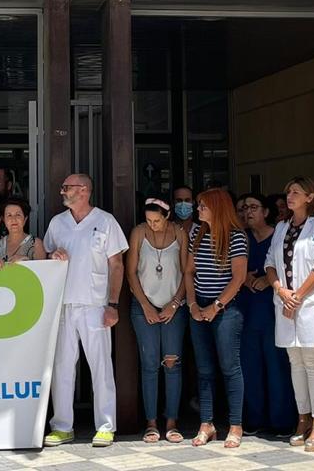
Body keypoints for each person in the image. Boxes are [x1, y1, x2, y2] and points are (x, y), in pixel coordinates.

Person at [43, 173, 128, 448]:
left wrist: (113, 305)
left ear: (84, 190)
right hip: (64, 305)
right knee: (62, 368)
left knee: (101, 367)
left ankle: (105, 426)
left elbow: (117, 265)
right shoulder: (58, 223)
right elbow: (45, 256)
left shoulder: (105, 221)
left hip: (95, 306)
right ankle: (62, 426)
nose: (62, 192)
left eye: (66, 187)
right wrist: (52, 255)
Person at [264, 176, 314, 452]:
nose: (289, 196)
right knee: (295, 361)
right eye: (288, 192)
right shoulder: (281, 228)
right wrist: (281, 290)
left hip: (309, 304)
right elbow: (270, 263)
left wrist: (297, 296)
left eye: (296, 192)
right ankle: (302, 418)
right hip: (285, 303)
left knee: (312, 361)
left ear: (309, 197)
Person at [185, 187, 248, 449]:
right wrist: (191, 303)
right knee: (204, 369)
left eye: (202, 206)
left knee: (229, 368)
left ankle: (235, 425)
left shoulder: (236, 237)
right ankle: (206, 424)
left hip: (226, 312)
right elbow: (188, 271)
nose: (198, 210)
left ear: (218, 208)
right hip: (198, 309)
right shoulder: (196, 235)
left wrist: (217, 305)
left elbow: (239, 277)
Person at [126, 198, 189, 444]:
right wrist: (145, 305)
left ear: (167, 215)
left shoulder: (180, 233)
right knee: (149, 363)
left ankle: (172, 421)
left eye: (157, 220)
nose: (152, 225)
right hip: (144, 307)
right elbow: (131, 272)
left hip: (175, 306)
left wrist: (175, 303)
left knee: (172, 363)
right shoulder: (138, 232)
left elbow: (186, 271)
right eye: (149, 220)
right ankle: (151, 423)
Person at [240, 193, 297, 438]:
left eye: (253, 207)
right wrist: (246, 278)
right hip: (246, 309)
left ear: (266, 212)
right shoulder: (241, 238)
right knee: (249, 367)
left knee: (277, 367)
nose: (248, 212)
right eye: (243, 208)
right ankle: (253, 418)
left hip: (274, 309)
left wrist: (267, 279)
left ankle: (281, 419)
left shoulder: (280, 235)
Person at [0, 196, 46, 265]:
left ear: (25, 219)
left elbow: (42, 272)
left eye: (18, 215)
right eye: (9, 215)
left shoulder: (36, 244)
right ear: (4, 220)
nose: (13, 219)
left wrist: (27, 262)